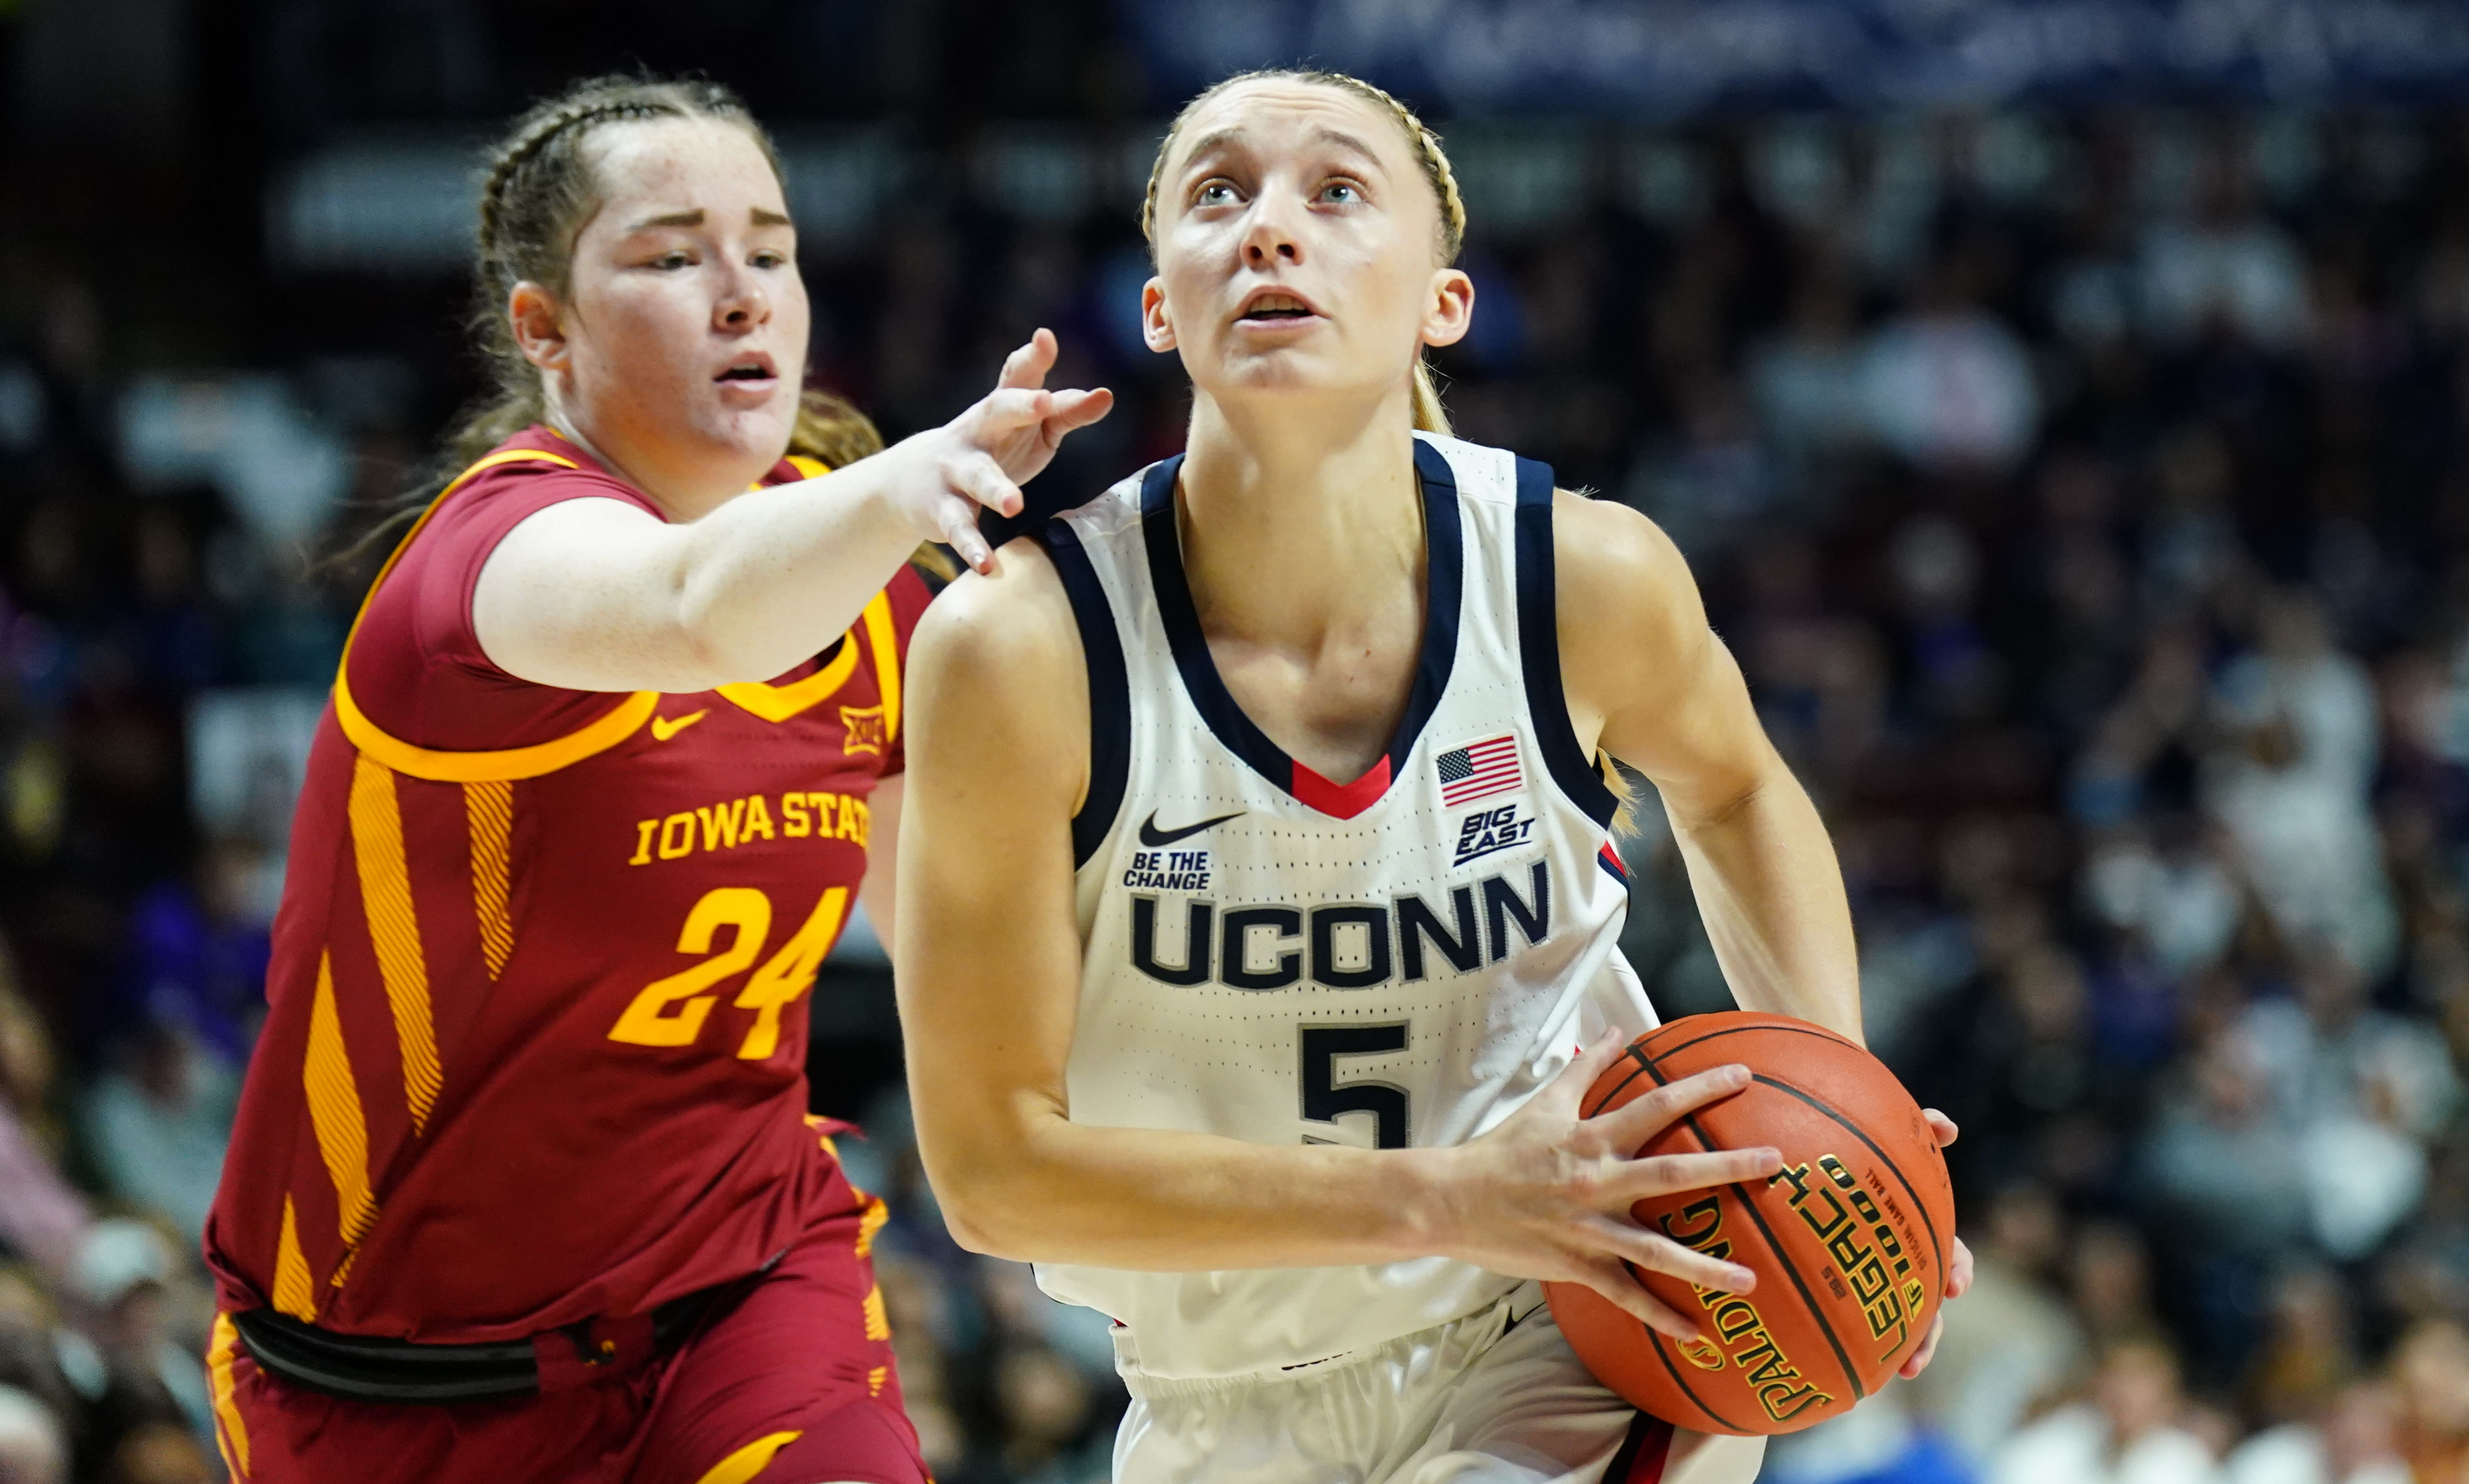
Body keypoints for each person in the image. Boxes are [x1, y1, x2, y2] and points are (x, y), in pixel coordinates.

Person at [895, 68, 1967, 1484]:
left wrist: (1839, 1122)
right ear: (1160, 306)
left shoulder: (1579, 575)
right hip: (1210, 1391)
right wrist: (1453, 1197)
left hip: (1572, 1323)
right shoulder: (1015, 648)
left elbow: (1736, 791)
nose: (1270, 229)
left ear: (1438, 302)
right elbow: (990, 1174)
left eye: (1336, 191)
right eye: (1217, 194)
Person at [198, 75, 1111, 1484]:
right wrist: (909, 482)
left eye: (772, 248)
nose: (742, 294)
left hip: (738, 1292)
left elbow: (974, 959)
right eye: (673, 256)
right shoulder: (484, 568)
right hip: (383, 1375)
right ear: (543, 333)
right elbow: (696, 611)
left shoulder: (881, 605)